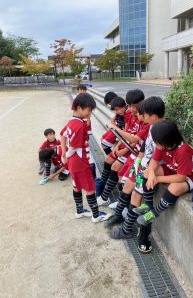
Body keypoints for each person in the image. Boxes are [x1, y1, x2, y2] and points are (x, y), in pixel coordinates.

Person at [107, 97, 165, 254]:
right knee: (127, 185)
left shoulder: (162, 130)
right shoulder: (153, 126)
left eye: (143, 114)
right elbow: (145, 145)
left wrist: (147, 169)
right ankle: (119, 215)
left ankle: (127, 228)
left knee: (136, 196)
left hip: (149, 170)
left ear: (152, 115)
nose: (141, 117)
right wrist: (138, 160)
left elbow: (159, 155)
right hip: (142, 165)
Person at [136, 119, 193, 227]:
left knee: (174, 187)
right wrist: (151, 174)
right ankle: (148, 205)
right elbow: (154, 161)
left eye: (156, 141)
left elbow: (180, 178)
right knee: (146, 172)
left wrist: (157, 179)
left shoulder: (183, 151)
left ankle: (154, 213)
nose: (155, 143)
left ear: (166, 139)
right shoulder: (162, 146)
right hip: (173, 169)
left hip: (191, 176)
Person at [60, 93, 111, 222]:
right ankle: (96, 215)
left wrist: (63, 154)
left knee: (76, 185)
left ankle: (79, 211)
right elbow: (74, 147)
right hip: (80, 162)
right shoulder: (79, 125)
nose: (90, 113)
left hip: (73, 162)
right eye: (88, 110)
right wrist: (66, 154)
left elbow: (62, 135)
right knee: (89, 187)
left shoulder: (72, 121)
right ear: (79, 107)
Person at [97, 89, 146, 207]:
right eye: (130, 106)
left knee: (133, 186)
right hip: (135, 153)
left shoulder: (145, 122)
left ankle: (122, 207)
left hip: (138, 155)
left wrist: (123, 149)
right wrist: (118, 146)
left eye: (134, 107)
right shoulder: (133, 115)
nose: (131, 110)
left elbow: (136, 140)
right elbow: (128, 132)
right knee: (120, 174)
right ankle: (118, 203)